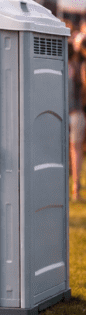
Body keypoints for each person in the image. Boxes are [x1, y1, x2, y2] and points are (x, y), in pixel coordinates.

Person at [68, 39, 85, 201]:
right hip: (76, 113)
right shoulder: (79, 66)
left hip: (61, 113)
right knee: (76, 151)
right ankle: (75, 189)